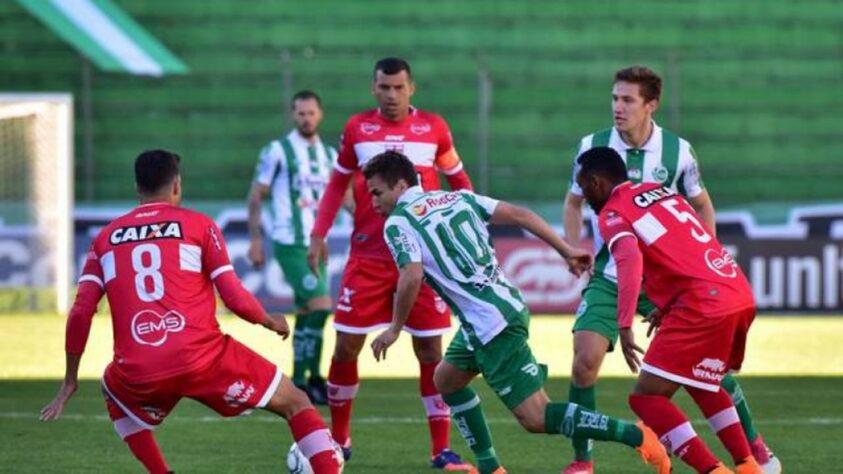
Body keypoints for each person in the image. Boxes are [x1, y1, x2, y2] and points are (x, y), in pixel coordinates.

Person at [364, 151, 671, 474]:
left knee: (537, 417)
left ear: (400, 186)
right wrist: (566, 249)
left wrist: (396, 327)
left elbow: (411, 275)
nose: (372, 202)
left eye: (377, 192)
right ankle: (490, 467)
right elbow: (521, 215)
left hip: (490, 326)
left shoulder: (398, 222)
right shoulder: (458, 198)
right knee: (447, 379)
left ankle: (637, 435)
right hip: (498, 309)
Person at [41, 150, 342, 474]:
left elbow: (81, 312)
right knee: (296, 402)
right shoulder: (198, 225)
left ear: (137, 188)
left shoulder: (104, 239)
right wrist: (269, 320)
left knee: (112, 389)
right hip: (204, 358)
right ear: (176, 185)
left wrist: (70, 379)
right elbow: (233, 297)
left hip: (140, 367)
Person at [562, 65, 778, 474]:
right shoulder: (593, 146)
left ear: (651, 105)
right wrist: (573, 249)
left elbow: (701, 205)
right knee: (583, 361)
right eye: (614, 98)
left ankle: (754, 452)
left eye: (627, 100)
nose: (618, 108)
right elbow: (573, 204)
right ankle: (582, 461)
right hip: (614, 274)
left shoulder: (678, 151)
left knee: (711, 373)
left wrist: (703, 264)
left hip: (668, 277)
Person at [307, 57, 474, 470]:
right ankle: (340, 441)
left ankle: (441, 450)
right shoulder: (356, 129)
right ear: (373, 88)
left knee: (431, 350)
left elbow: (460, 182)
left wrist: (468, 229)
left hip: (423, 258)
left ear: (411, 88)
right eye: (384, 87)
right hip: (367, 256)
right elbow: (336, 183)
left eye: (399, 87)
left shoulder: (434, 128)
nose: (392, 95)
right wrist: (318, 232)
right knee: (346, 346)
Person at [576, 146, 764, 473]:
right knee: (705, 383)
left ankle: (713, 470)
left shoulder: (612, 213)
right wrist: (670, 304)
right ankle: (749, 466)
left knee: (645, 399)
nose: (584, 196)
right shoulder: (660, 192)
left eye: (583, 186)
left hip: (703, 304)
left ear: (596, 182)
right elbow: (688, 244)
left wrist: (624, 323)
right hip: (735, 290)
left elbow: (629, 259)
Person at [248, 90, 341, 404]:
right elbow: (256, 195)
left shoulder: (330, 155)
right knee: (321, 304)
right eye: (300, 113)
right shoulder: (277, 151)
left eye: (311, 113)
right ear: (293, 115)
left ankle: (301, 380)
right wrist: (256, 240)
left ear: (321, 114)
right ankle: (315, 376)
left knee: (307, 312)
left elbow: (344, 197)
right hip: (289, 241)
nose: (306, 118)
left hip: (319, 244)